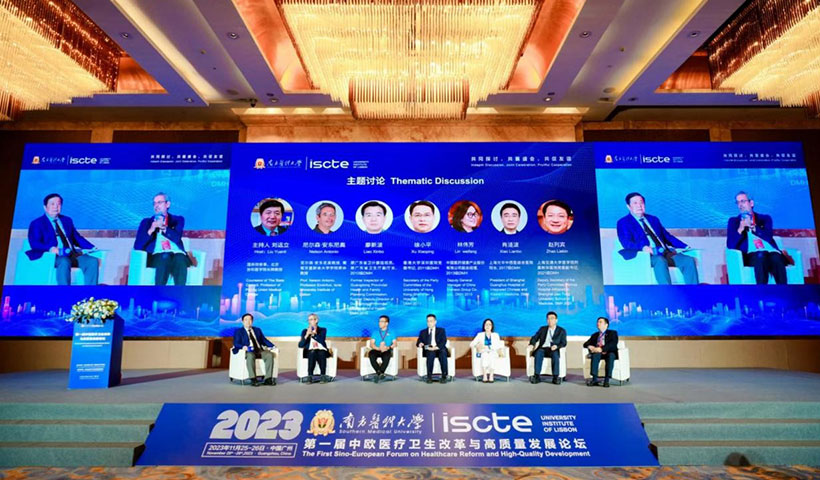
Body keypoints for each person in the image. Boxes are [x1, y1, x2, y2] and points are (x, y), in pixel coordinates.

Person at [616, 192, 698, 285]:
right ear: (628, 206)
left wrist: (685, 246)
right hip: (645, 255)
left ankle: (694, 291)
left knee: (688, 261)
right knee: (660, 260)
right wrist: (643, 248)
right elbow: (626, 242)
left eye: (641, 202)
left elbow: (667, 236)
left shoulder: (653, 219)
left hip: (664, 252)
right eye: (635, 203)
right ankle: (666, 291)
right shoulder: (623, 222)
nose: (639, 206)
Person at [26, 193, 99, 285]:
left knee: (92, 261)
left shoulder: (67, 220)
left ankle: (91, 291)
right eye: (52, 204)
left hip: (71, 253)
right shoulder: (37, 223)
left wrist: (92, 247)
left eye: (58, 204)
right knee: (64, 261)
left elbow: (76, 237)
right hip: (51, 256)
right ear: (45, 207)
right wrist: (51, 249)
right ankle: (64, 291)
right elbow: (34, 243)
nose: (56, 207)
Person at [727, 191, 787, 284]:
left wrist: (753, 227)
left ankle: (783, 290)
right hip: (751, 254)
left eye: (743, 201)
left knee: (776, 257)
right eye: (738, 202)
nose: (740, 205)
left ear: (751, 203)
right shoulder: (734, 221)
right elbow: (730, 245)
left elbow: (768, 237)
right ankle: (761, 290)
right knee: (761, 255)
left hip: (771, 252)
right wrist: (740, 228)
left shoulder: (765, 219)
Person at [134, 192, 191, 286]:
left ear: (167, 204)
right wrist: (151, 229)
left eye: (159, 202)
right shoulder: (146, 222)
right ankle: (159, 291)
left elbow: (177, 238)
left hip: (177, 253)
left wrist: (164, 228)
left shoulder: (178, 220)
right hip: (157, 255)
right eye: (154, 203)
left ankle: (180, 291)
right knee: (165, 256)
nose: (156, 206)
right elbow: (138, 246)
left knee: (180, 258)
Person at [232, 313, 276, 387]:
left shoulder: (257, 330)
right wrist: (243, 347)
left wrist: (273, 346)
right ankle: (253, 379)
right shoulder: (239, 331)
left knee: (269, 355)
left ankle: (268, 379)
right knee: (250, 355)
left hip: (259, 350)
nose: (248, 321)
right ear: (242, 321)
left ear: (252, 321)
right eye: (246, 320)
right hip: (248, 351)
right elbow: (236, 343)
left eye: (250, 320)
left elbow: (264, 340)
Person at [528, 311, 567, 385]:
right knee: (538, 353)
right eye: (548, 319)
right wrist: (532, 344)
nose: (550, 320)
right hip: (543, 348)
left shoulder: (561, 330)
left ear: (556, 320)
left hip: (553, 349)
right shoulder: (542, 329)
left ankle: (555, 377)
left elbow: (564, 343)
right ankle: (537, 376)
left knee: (555, 355)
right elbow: (535, 337)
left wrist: (557, 346)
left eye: (552, 318)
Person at [583, 317, 619, 388]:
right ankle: (594, 379)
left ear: (606, 325)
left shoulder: (613, 333)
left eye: (600, 322)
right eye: (597, 322)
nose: (598, 323)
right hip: (598, 353)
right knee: (595, 355)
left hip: (609, 352)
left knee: (611, 356)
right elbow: (585, 344)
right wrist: (590, 346)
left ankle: (606, 380)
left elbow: (613, 344)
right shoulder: (595, 335)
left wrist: (601, 349)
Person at [298, 313, 330, 384]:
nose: (310, 322)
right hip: (310, 351)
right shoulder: (304, 331)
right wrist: (306, 335)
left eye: (311, 319)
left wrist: (314, 334)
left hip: (321, 350)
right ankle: (310, 376)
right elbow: (300, 345)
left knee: (321, 352)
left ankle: (323, 376)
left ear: (316, 320)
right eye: (309, 320)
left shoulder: (323, 330)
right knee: (312, 352)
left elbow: (322, 340)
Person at [416, 313, 449, 383]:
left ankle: (444, 376)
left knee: (443, 352)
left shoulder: (441, 330)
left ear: (435, 322)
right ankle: (429, 376)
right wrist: (420, 343)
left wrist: (436, 347)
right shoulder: (423, 332)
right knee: (430, 353)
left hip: (439, 348)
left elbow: (443, 341)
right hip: (428, 349)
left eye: (431, 321)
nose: (429, 323)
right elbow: (418, 341)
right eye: (428, 321)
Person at [469, 318, 503, 383]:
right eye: (486, 324)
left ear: (492, 326)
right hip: (483, 351)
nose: (488, 326)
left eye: (489, 324)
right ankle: (484, 375)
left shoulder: (495, 335)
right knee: (485, 355)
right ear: (484, 326)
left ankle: (491, 375)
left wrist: (489, 347)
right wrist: (477, 345)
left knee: (492, 356)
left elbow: (498, 345)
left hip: (493, 351)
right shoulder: (480, 335)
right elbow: (471, 344)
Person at [367, 315, 396, 383]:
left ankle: (379, 373)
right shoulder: (375, 332)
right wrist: (378, 348)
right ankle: (380, 373)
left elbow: (395, 343)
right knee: (371, 354)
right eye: (379, 321)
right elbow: (371, 344)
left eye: (382, 321)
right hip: (376, 349)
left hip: (386, 350)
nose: (379, 323)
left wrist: (388, 347)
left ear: (386, 323)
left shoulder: (392, 332)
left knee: (387, 355)